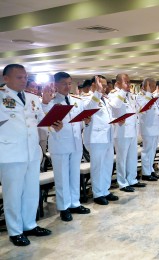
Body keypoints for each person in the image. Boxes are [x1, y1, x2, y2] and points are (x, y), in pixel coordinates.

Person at [0, 64, 57, 246]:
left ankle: (29, 224)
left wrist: (53, 124)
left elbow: (42, 121)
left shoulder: (33, 98)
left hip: (32, 152)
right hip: (10, 153)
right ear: (6, 78)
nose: (24, 80)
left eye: (25, 77)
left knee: (31, 191)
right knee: (13, 194)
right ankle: (15, 231)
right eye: (19, 77)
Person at [42, 72, 91, 222]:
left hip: (76, 142)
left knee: (74, 175)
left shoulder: (76, 100)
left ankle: (75, 203)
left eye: (70, 83)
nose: (67, 86)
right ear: (56, 85)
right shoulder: (49, 102)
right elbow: (44, 123)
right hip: (60, 144)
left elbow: (79, 122)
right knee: (62, 177)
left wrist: (86, 121)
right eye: (64, 84)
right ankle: (64, 207)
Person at [82, 75, 119, 205]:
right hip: (96, 138)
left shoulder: (106, 99)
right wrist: (97, 92)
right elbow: (88, 109)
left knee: (107, 165)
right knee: (98, 166)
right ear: (93, 85)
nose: (104, 88)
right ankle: (98, 193)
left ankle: (105, 190)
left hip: (108, 135)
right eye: (101, 85)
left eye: (104, 85)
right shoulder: (87, 98)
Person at [108, 73, 145, 189]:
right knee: (122, 158)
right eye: (126, 82)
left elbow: (134, 110)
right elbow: (116, 105)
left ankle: (132, 179)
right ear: (118, 83)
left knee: (132, 157)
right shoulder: (113, 94)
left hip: (132, 130)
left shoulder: (131, 95)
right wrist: (123, 91)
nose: (128, 84)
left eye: (129, 82)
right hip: (121, 131)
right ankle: (122, 182)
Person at [136, 78, 159, 181]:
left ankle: (150, 169)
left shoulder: (152, 97)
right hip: (147, 128)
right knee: (147, 150)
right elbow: (142, 110)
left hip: (155, 128)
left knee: (152, 151)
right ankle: (146, 173)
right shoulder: (140, 97)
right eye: (152, 86)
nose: (154, 88)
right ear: (147, 86)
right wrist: (148, 94)